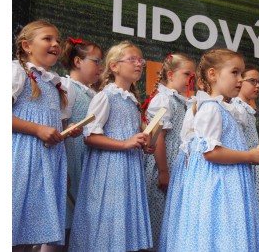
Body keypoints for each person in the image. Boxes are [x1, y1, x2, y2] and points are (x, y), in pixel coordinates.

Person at [169, 48, 259, 252]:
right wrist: (248, 156)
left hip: (230, 185)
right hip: (219, 187)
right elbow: (211, 153)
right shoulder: (210, 108)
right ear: (213, 74)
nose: (240, 79)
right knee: (220, 235)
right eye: (235, 73)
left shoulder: (225, 109)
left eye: (242, 74)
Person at [68, 41, 155, 252]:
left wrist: (140, 144)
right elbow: (90, 136)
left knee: (122, 222)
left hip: (127, 168)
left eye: (141, 60)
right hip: (109, 170)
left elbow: (126, 135)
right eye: (132, 59)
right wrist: (125, 143)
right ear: (114, 66)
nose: (139, 64)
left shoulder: (131, 100)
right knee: (106, 222)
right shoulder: (105, 96)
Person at [12, 20, 82, 252]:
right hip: (19, 158)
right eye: (47, 39)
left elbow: (56, 123)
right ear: (27, 46)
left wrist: (68, 129)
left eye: (57, 41)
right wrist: (38, 129)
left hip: (47, 163)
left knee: (28, 231)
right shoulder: (16, 72)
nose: (55, 44)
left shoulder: (57, 85)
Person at [142, 53, 196, 250]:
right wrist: (164, 171)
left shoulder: (183, 101)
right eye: (186, 74)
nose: (190, 80)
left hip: (178, 164)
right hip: (164, 163)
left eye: (193, 76)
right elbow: (159, 137)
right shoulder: (164, 99)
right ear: (171, 74)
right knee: (159, 212)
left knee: (173, 216)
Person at [59, 36, 104, 251]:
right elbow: (59, 124)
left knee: (76, 225)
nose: (100, 68)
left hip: (86, 162)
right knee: (61, 222)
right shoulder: (67, 87)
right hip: (70, 159)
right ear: (78, 61)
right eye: (96, 61)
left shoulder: (95, 94)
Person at [231, 65, 259, 250]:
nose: (258, 85)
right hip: (241, 168)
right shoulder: (236, 109)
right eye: (252, 81)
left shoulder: (247, 110)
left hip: (250, 166)